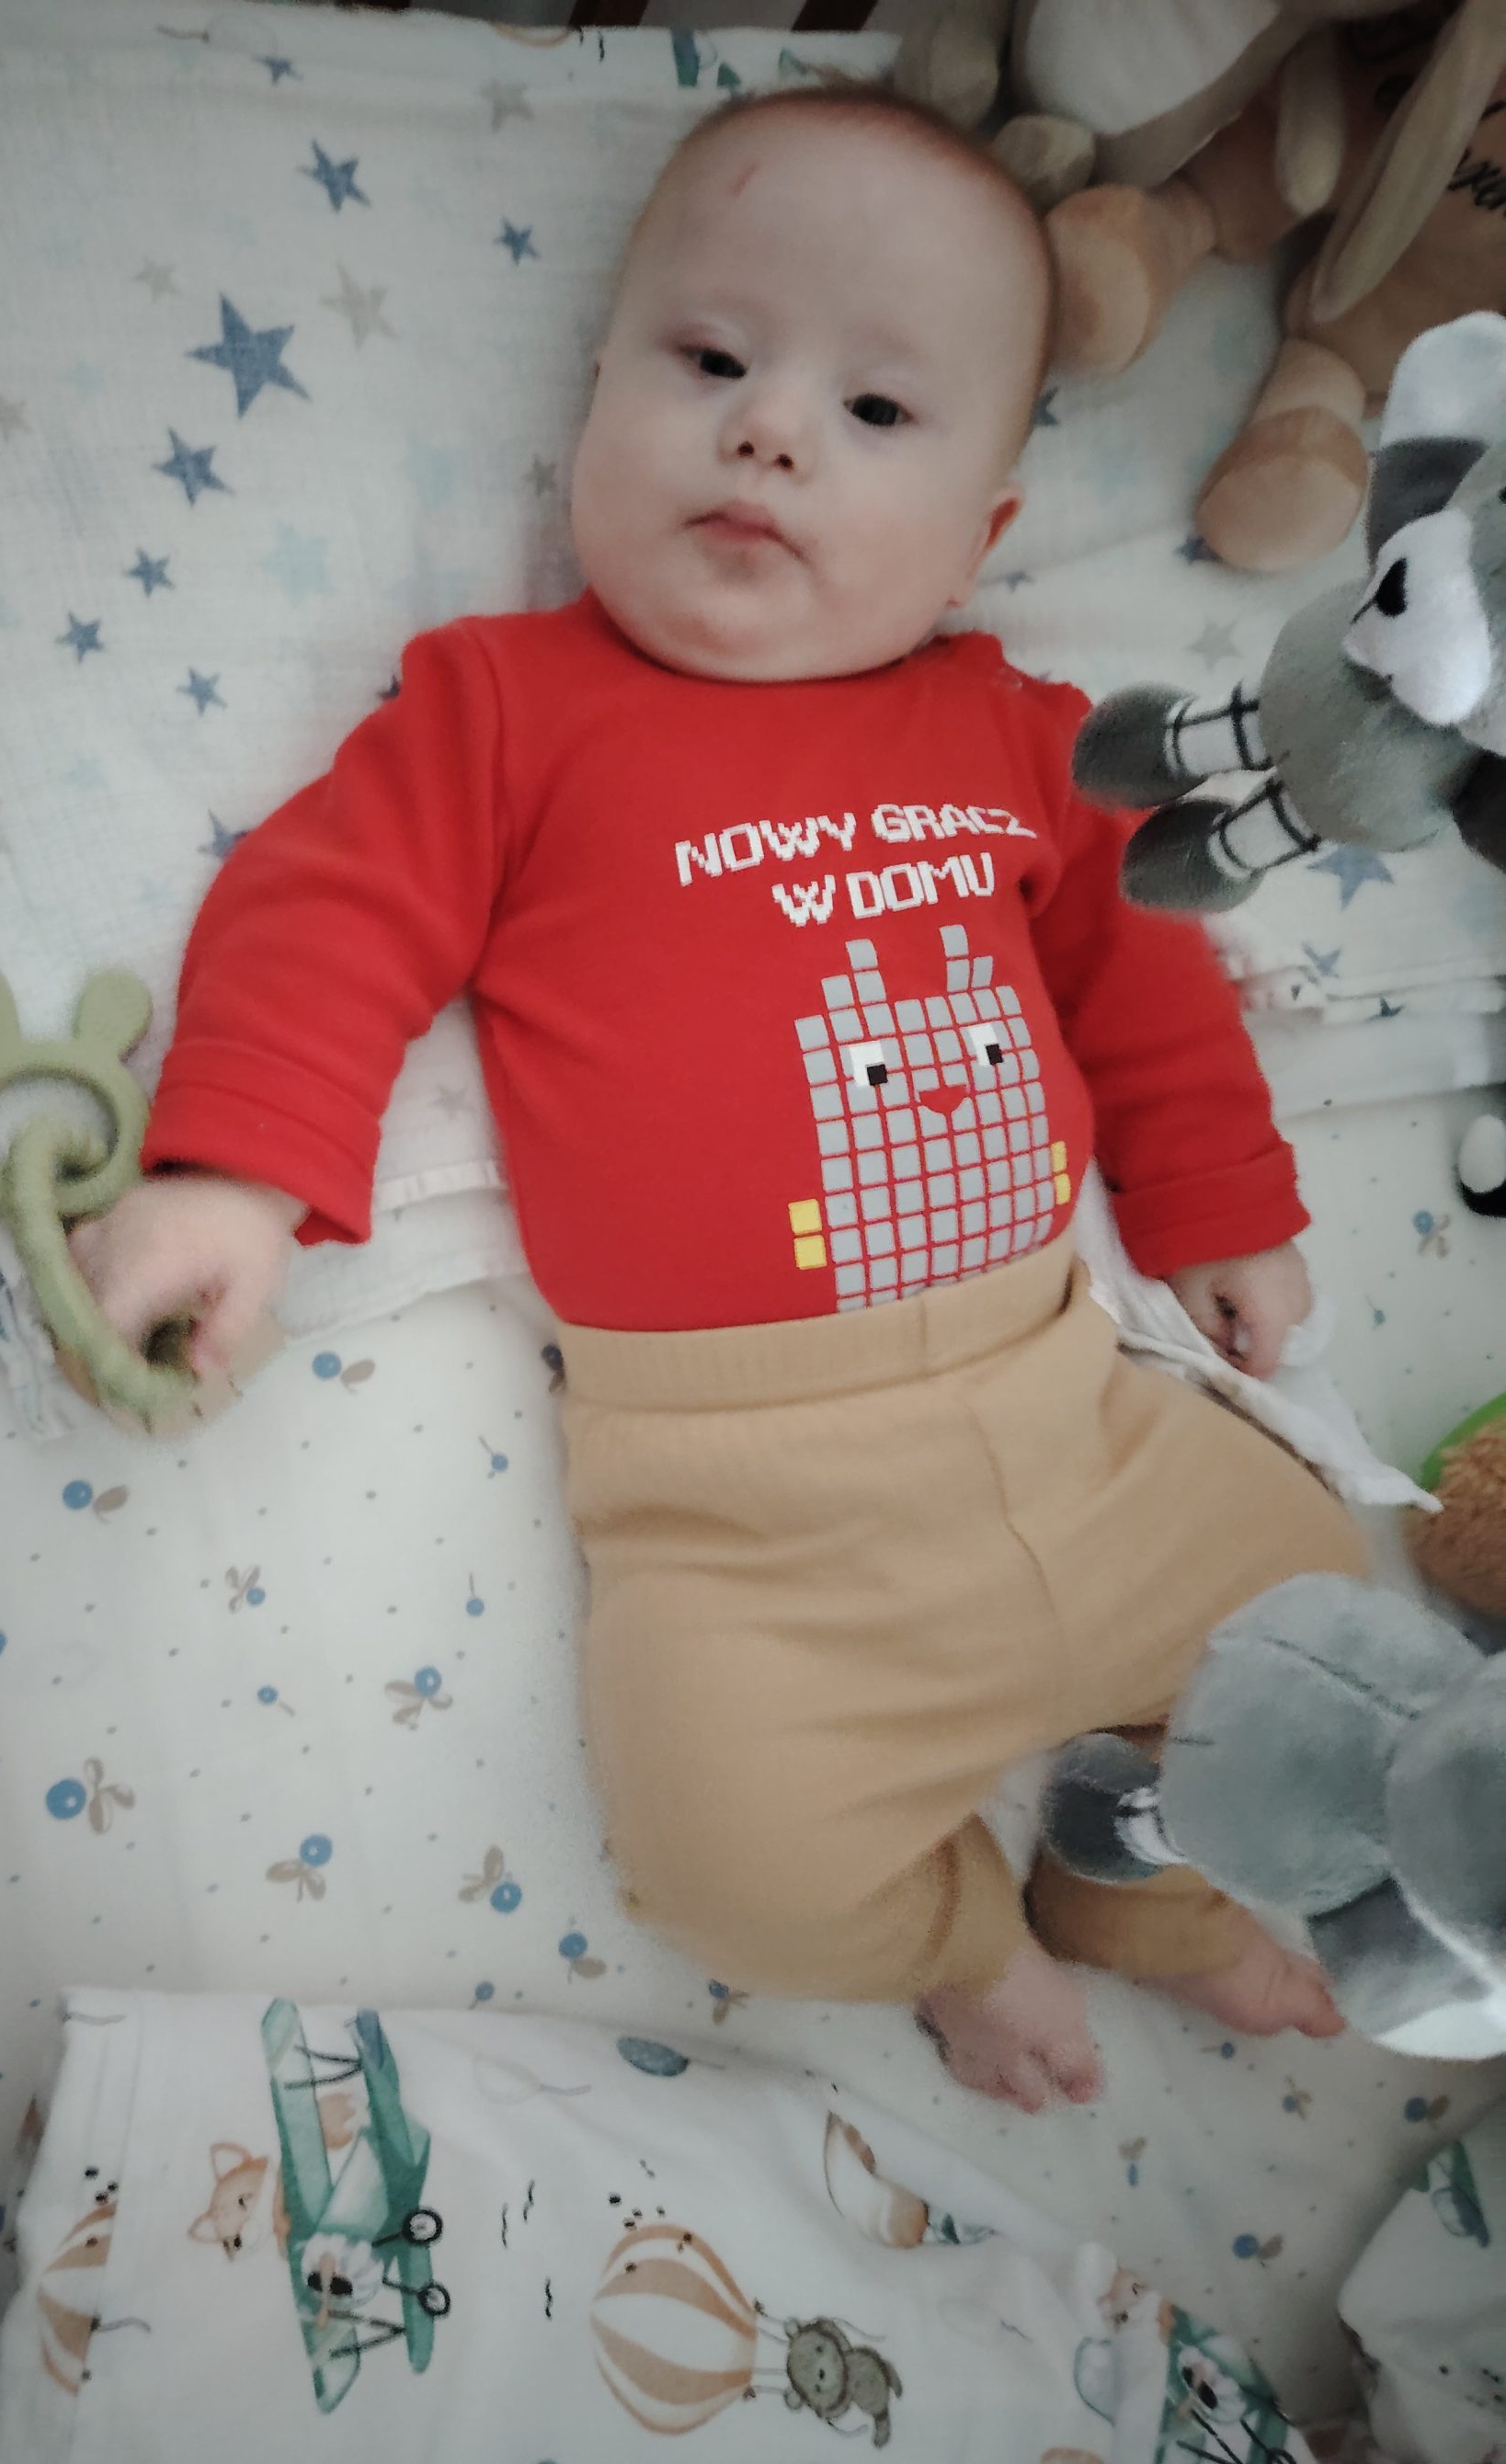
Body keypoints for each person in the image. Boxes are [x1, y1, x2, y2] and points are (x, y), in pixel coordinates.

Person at [73, 84, 1366, 2112]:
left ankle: (1145, 1886)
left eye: (876, 410)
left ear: (981, 536)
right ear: (592, 403)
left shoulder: (1018, 734)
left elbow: (1144, 967)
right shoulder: (509, 709)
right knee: (724, 1865)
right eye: (706, 363)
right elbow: (331, 911)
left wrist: (1220, 1203)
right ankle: (958, 1936)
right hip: (745, 1528)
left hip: (1079, 1416)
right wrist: (233, 1171)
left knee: (1330, 1623)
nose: (770, 430)